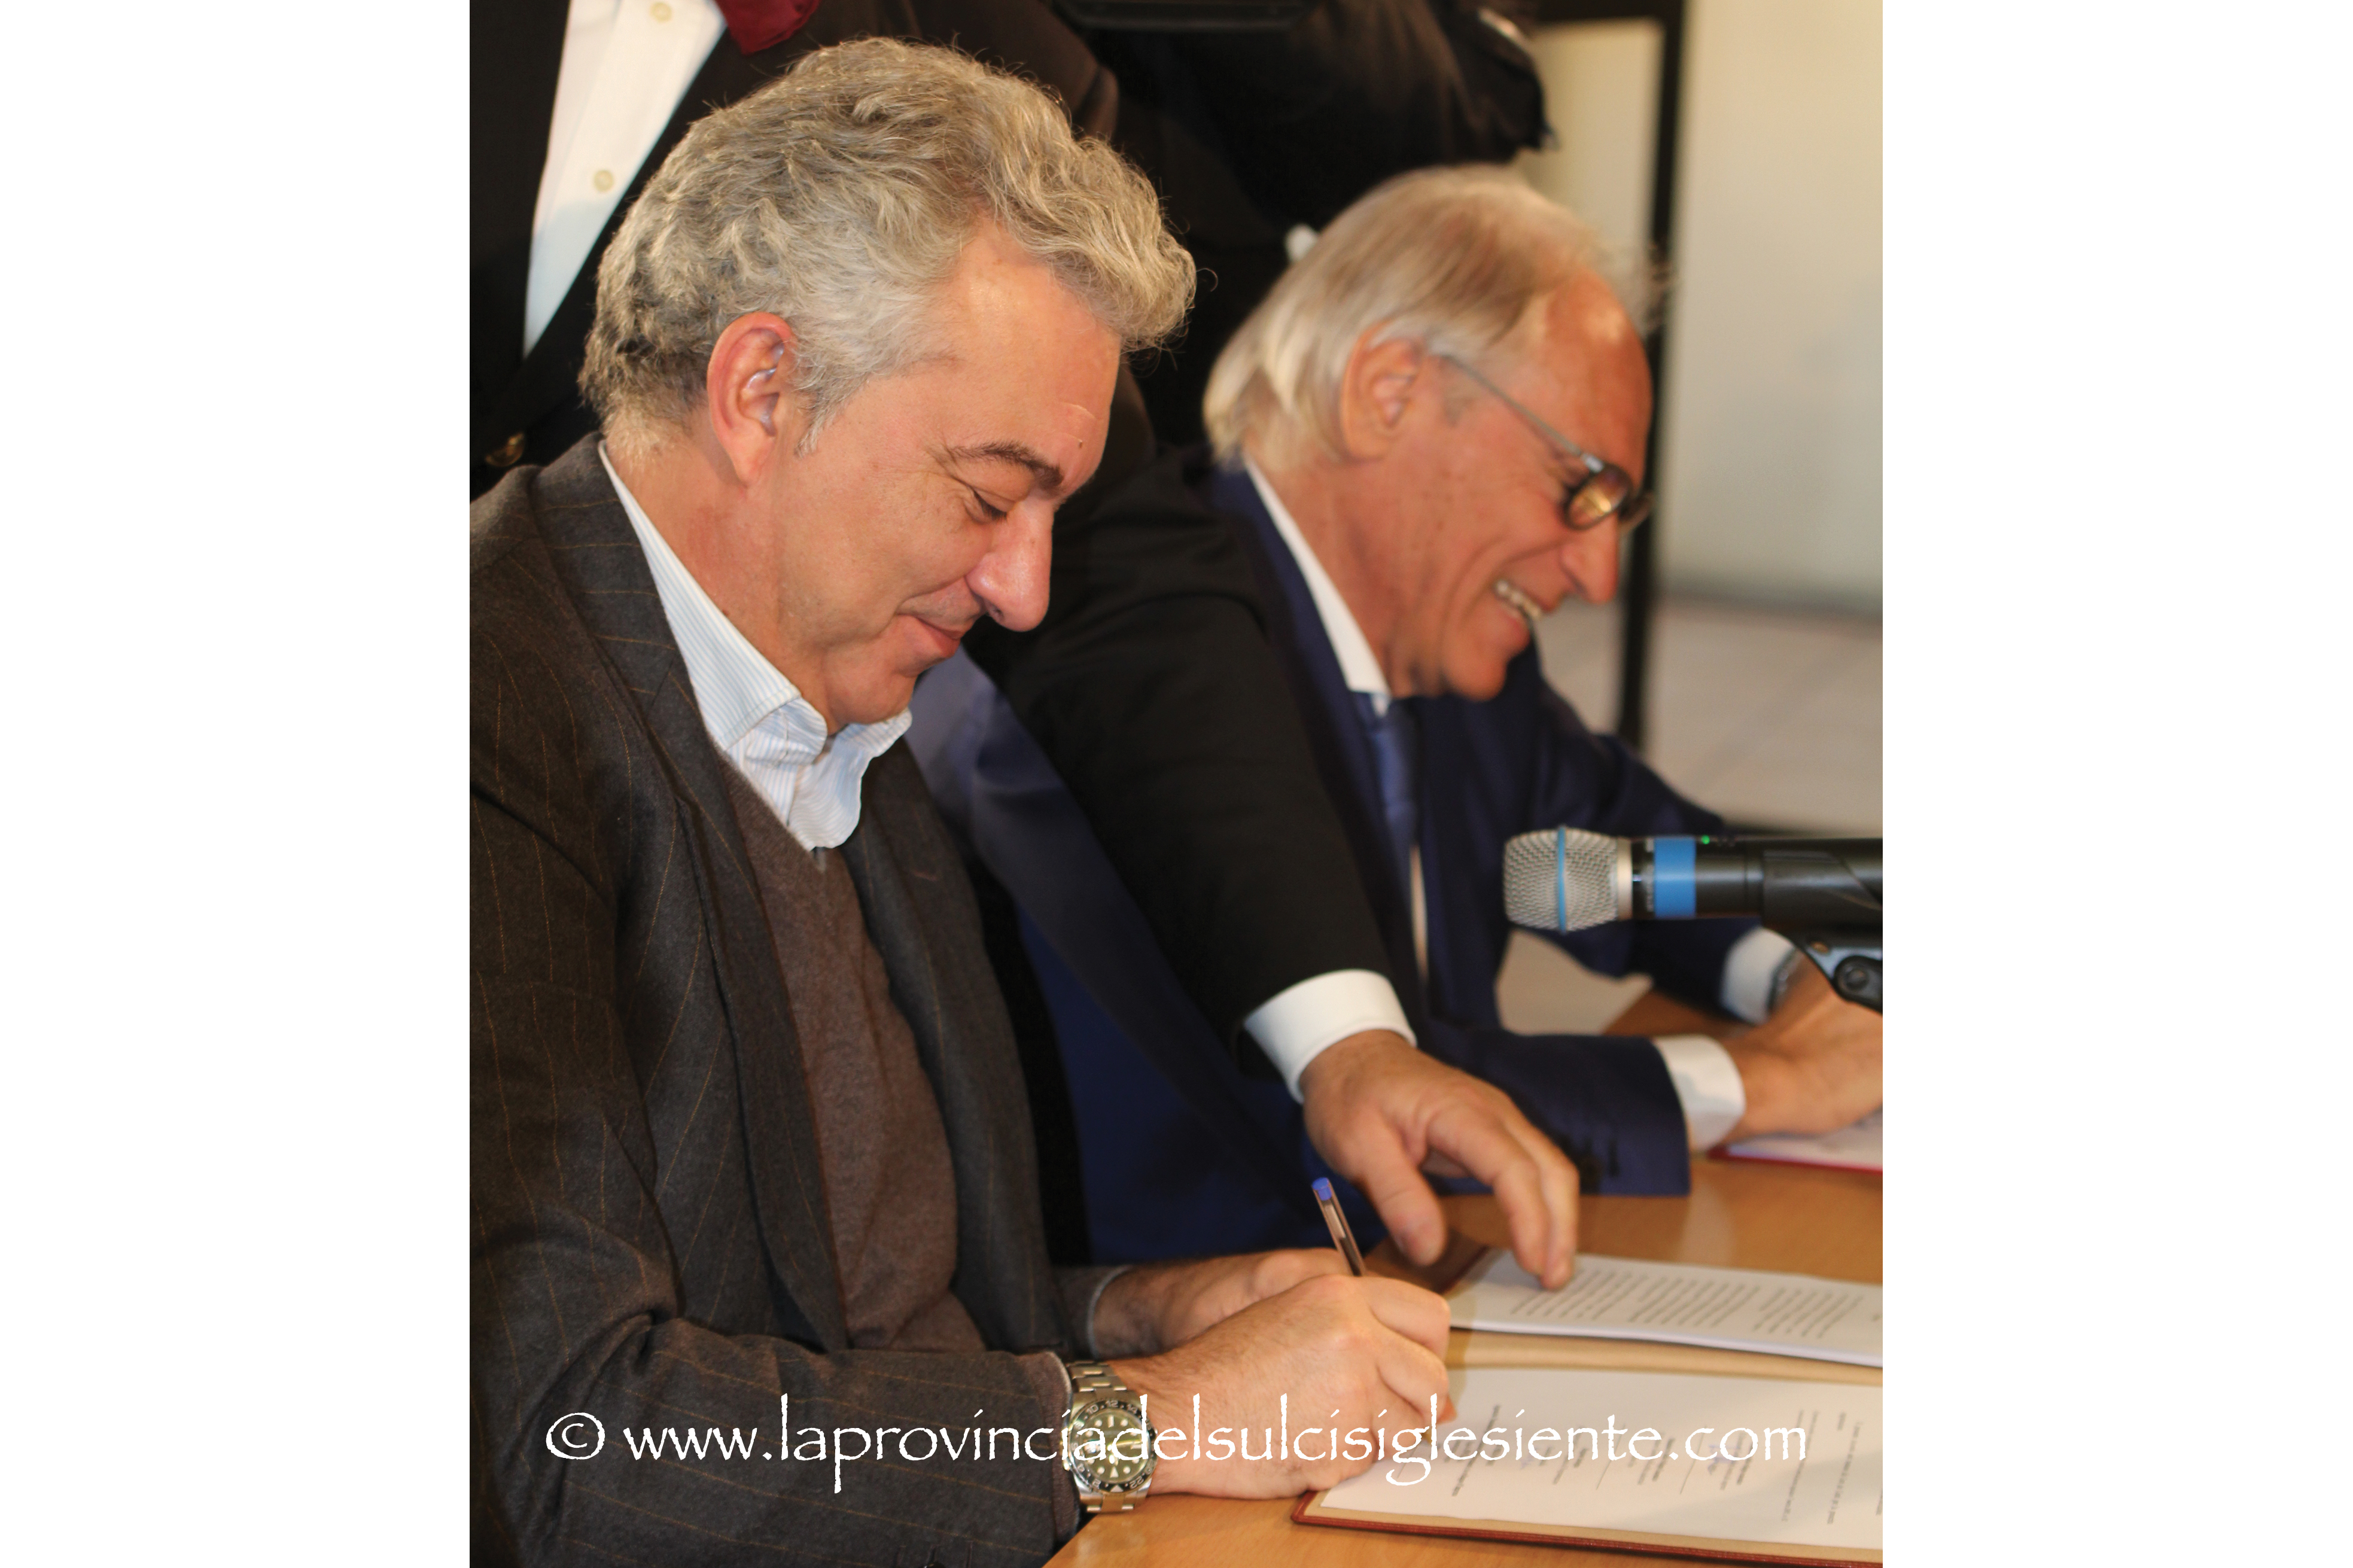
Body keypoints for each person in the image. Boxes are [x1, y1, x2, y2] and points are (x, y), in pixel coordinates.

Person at [471, 44, 1460, 1565]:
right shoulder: (486, 709)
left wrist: (1145, 1314)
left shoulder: (827, 688)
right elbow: (571, 1447)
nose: (1023, 589)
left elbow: (862, 1322)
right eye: (990, 495)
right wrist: (1151, 1420)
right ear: (760, 391)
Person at [911, 167, 1883, 1263]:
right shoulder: (1127, 687)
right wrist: (1759, 1080)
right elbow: (1331, 1104)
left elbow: (1638, 866)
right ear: (1389, 390)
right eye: (1581, 490)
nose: (1598, 574)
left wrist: (1819, 970)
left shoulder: (1453, 660)